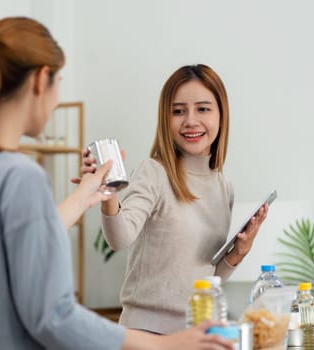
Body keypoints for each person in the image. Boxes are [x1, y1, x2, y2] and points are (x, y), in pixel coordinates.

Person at [0, 17, 234, 350]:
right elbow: (53, 317)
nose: (57, 99)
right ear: (40, 80)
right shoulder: (22, 177)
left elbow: (14, 250)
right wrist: (165, 345)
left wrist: (85, 195)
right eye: (59, 81)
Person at [80, 64, 269, 334]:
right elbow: (119, 238)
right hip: (145, 336)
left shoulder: (223, 186)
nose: (190, 120)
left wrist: (238, 253)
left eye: (203, 109)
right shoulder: (154, 173)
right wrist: (108, 193)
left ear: (221, 116)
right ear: (165, 119)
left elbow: (208, 279)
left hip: (193, 334)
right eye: (178, 111)